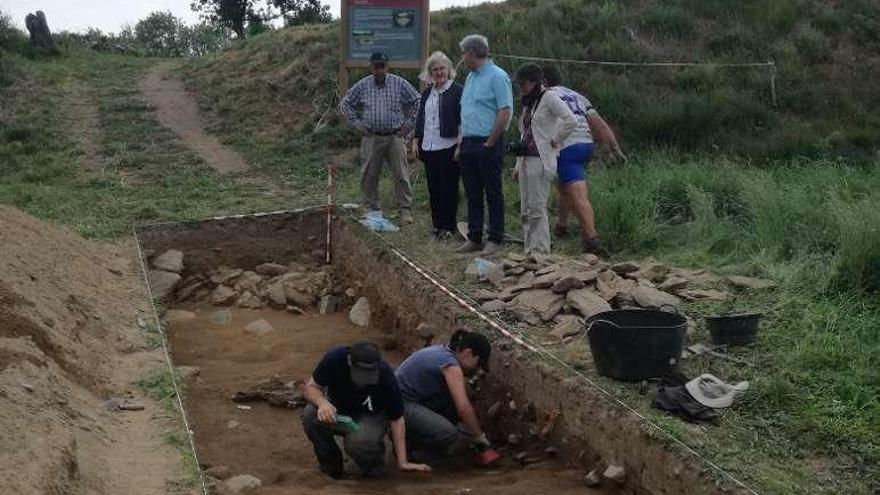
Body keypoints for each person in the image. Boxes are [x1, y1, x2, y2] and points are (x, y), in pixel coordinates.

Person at [301, 341, 431, 478]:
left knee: (359, 441)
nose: (364, 379)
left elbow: (397, 419)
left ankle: (373, 471)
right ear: (350, 362)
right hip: (338, 407)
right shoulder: (335, 358)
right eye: (361, 373)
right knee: (310, 415)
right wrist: (322, 403)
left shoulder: (385, 376)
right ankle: (331, 469)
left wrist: (403, 462)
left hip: (371, 415)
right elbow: (312, 387)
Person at [542, 65, 626, 253]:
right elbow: (601, 125)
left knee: (577, 192)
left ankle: (591, 237)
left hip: (566, 145)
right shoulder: (577, 96)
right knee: (564, 185)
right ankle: (562, 226)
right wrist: (616, 150)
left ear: (543, 81)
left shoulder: (545, 97)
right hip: (585, 143)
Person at [394, 328, 497, 465]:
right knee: (448, 433)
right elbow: (463, 408)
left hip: (409, 399)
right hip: (400, 404)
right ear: (468, 353)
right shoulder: (450, 365)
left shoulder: (443, 351)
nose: (477, 369)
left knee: (461, 396)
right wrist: (479, 438)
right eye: (478, 364)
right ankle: (411, 447)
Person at [340, 52, 421, 224]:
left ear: (387, 66)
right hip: (371, 136)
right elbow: (345, 103)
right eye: (376, 66)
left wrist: (409, 125)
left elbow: (417, 100)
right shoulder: (362, 85)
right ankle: (371, 208)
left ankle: (404, 209)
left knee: (401, 173)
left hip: (395, 136)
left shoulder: (398, 83)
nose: (379, 70)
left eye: (382, 66)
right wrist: (357, 123)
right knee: (369, 174)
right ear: (371, 67)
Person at [455, 35, 513, 256]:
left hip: (488, 142)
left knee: (493, 191)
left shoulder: (498, 77)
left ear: (471, 53)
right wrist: (461, 141)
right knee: (472, 192)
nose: (463, 58)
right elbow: (466, 110)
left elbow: (505, 110)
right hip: (469, 142)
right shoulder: (470, 77)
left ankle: (495, 238)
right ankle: (475, 236)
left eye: (463, 54)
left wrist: (490, 142)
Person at [512, 63, 576, 255]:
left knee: (537, 207)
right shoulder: (528, 103)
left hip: (540, 159)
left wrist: (555, 140)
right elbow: (524, 134)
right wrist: (516, 165)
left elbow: (570, 119)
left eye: (524, 84)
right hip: (525, 159)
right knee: (525, 207)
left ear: (535, 82)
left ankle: (541, 250)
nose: (521, 88)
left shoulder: (549, 98)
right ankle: (529, 249)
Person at [411, 51, 463, 241]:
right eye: (435, 69)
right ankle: (437, 226)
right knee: (434, 188)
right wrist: (416, 140)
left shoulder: (457, 90)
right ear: (430, 72)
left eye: (442, 68)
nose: (439, 72)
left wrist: (460, 144)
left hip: (449, 145)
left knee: (448, 187)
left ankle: (449, 226)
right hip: (429, 146)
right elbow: (421, 118)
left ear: (448, 69)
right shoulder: (427, 92)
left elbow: (462, 119)